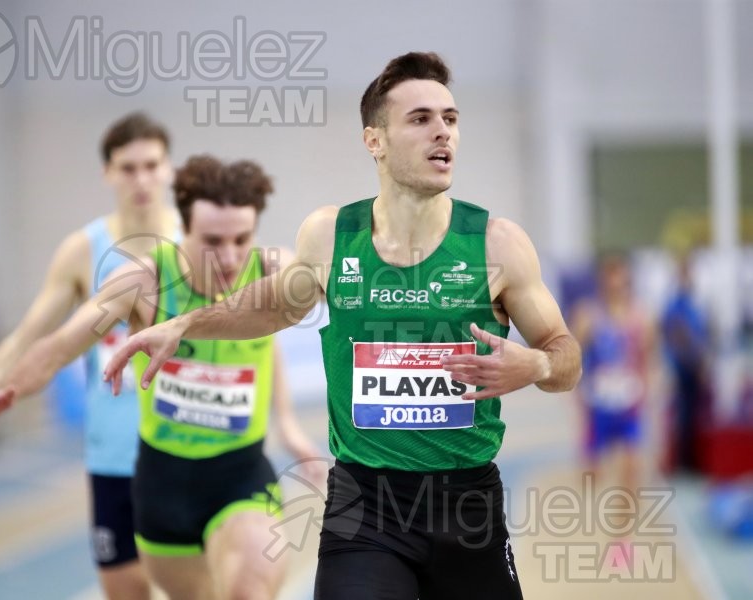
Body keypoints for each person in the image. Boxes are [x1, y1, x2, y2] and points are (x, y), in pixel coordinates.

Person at [102, 52, 582, 600]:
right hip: (366, 506)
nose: (441, 132)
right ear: (374, 140)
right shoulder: (332, 234)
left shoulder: (497, 243)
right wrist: (181, 324)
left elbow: (565, 356)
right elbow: (274, 307)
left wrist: (538, 363)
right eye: (420, 119)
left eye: (449, 118)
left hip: (467, 508)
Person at [0, 155, 323, 600]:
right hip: (163, 486)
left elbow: (275, 337)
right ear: (184, 227)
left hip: (241, 475)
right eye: (214, 240)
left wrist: (287, 423)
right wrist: (12, 388)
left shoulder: (272, 271)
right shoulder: (144, 282)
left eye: (242, 238)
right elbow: (64, 343)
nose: (232, 256)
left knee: (248, 590)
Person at [0, 112, 177, 600]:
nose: (141, 179)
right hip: (113, 457)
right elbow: (29, 337)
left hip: (185, 449)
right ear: (108, 173)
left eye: (151, 165)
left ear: (168, 169)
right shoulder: (84, 251)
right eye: (128, 167)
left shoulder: (196, 243)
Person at [571, 254, 656, 565]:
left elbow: (647, 359)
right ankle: (587, 527)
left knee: (632, 470)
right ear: (603, 280)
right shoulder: (588, 315)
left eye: (620, 276)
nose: (615, 283)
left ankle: (623, 538)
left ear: (627, 279)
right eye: (610, 276)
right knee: (593, 476)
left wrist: (646, 391)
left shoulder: (641, 317)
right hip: (598, 407)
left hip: (629, 406)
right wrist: (579, 401)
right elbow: (572, 357)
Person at [660, 253, 711, 472]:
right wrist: (695, 360)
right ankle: (683, 461)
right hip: (684, 367)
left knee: (692, 414)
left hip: (692, 364)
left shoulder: (692, 302)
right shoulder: (677, 304)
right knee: (684, 414)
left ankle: (691, 458)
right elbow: (678, 335)